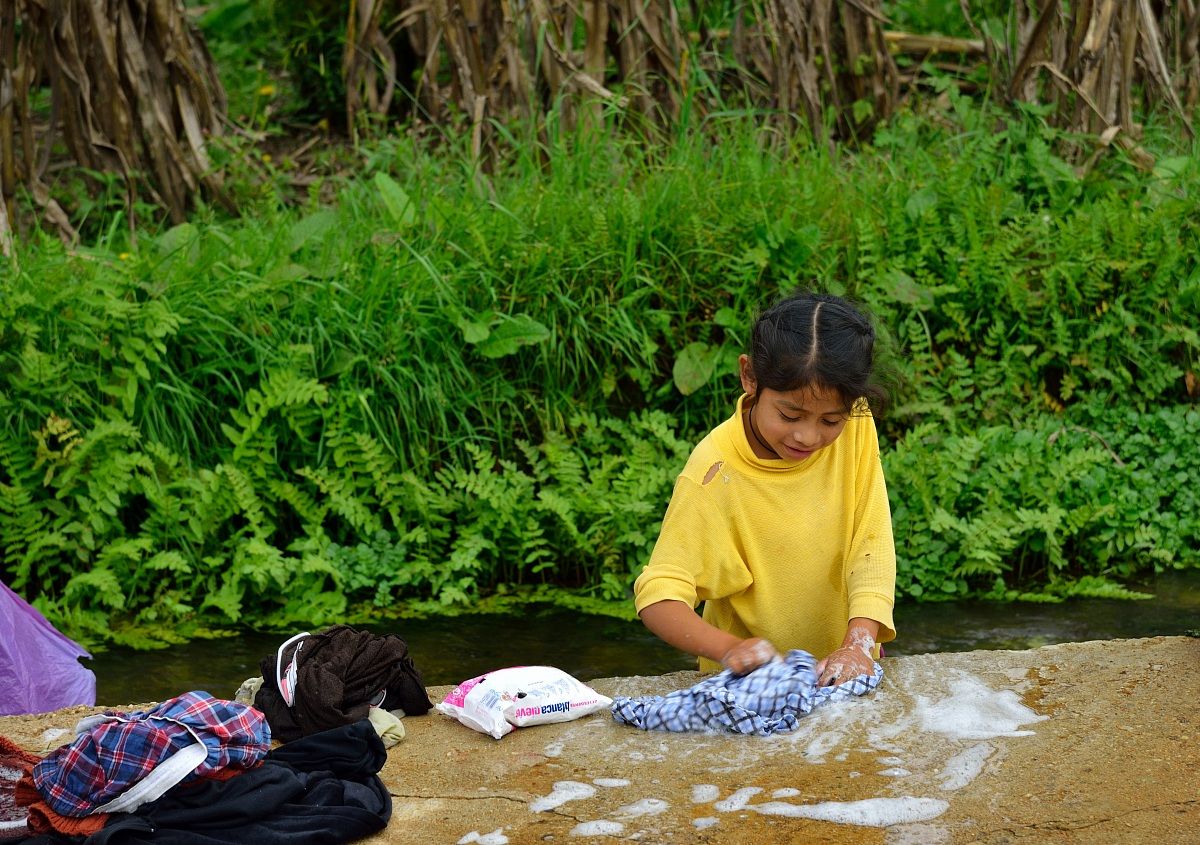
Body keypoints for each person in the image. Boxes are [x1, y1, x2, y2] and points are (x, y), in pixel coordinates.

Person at [634, 289, 896, 686]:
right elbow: (659, 595)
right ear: (750, 376)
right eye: (790, 414)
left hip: (840, 672)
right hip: (749, 688)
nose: (808, 436)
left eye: (829, 421)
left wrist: (859, 641)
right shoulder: (715, 470)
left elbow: (871, 543)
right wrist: (729, 649)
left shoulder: (856, 427)